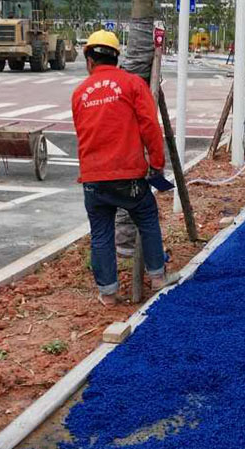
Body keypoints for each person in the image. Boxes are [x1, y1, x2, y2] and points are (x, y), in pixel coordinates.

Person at [72, 30, 175, 306]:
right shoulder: (132, 85)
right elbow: (150, 127)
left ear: (90, 61)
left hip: (93, 177)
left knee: (101, 233)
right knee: (146, 215)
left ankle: (108, 293)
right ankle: (157, 277)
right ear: (117, 59)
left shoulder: (80, 93)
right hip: (128, 174)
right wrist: (156, 165)